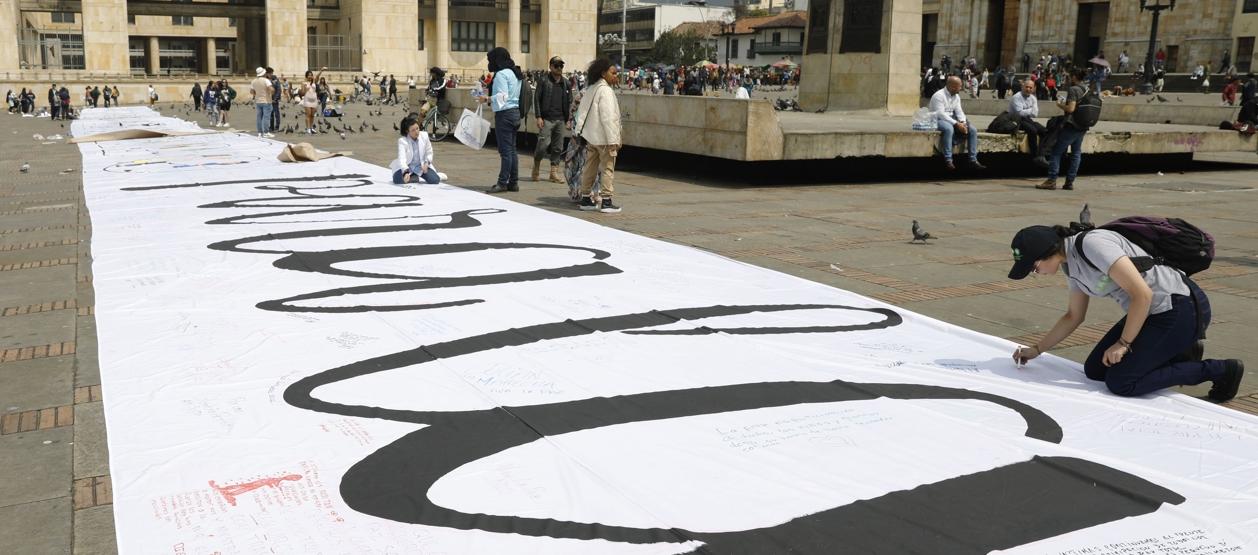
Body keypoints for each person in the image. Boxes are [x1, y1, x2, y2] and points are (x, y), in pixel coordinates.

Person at [1007, 224, 1244, 400]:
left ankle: (1222, 370)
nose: (1034, 273)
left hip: (1178, 308)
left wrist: (1124, 343)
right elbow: (1074, 315)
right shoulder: (1070, 265)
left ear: (1048, 251)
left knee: (1122, 382)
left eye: (1033, 267)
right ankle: (1177, 352)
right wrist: (1037, 350)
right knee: (1096, 370)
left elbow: (1143, 295)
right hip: (1150, 313)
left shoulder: (1092, 245)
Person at [573, 58, 622, 214]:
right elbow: (608, 118)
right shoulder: (606, 91)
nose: (616, 76)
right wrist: (613, 140)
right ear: (603, 73)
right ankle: (606, 201)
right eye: (613, 73)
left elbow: (582, 113)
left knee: (589, 168)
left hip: (591, 137)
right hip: (604, 139)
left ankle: (586, 198)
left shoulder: (592, 88)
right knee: (608, 168)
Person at [480, 47, 524, 193]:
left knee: (505, 152)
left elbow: (502, 97)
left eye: (490, 60)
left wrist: (486, 98)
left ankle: (502, 182)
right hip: (515, 113)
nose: (489, 63)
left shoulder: (501, 75)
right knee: (512, 150)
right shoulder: (513, 73)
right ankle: (513, 182)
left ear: (497, 60)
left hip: (505, 115)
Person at [1039, 69, 1089, 191]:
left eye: (1071, 76)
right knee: (1076, 154)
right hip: (1082, 126)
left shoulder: (1074, 89)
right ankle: (1069, 182)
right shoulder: (1087, 89)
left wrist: (1060, 104)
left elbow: (1071, 109)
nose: (1069, 78)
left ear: (1075, 76)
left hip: (1072, 125)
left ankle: (1051, 180)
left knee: (1056, 152)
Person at [929, 76, 984, 171]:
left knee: (972, 130)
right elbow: (941, 114)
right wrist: (956, 124)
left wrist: (963, 122)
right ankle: (948, 159)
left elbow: (959, 111)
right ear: (952, 86)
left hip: (952, 119)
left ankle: (973, 159)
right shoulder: (939, 95)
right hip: (937, 119)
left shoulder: (956, 96)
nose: (961, 88)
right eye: (959, 86)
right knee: (948, 128)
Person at [532, 56, 572, 183]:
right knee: (542, 145)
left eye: (561, 66)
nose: (559, 68)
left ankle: (553, 173)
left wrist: (569, 119)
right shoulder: (543, 80)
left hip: (561, 119)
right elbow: (537, 99)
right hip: (547, 119)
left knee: (558, 147)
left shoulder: (566, 83)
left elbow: (570, 102)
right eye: (556, 65)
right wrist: (538, 116)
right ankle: (536, 167)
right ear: (550, 66)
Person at [391, 114, 441, 184]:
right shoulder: (402, 141)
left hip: (421, 166)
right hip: (408, 167)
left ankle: (415, 177)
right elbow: (402, 159)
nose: (416, 132)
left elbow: (429, 152)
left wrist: (427, 163)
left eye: (417, 128)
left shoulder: (424, 136)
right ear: (407, 131)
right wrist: (405, 172)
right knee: (397, 180)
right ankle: (414, 177)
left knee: (435, 180)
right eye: (413, 130)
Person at [1009, 78, 1044, 155]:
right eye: (1026, 87)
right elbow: (1019, 113)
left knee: (1044, 130)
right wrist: (1031, 110)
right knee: (1033, 130)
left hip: (1027, 120)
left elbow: (1035, 114)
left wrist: (1028, 111)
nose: (1028, 89)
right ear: (1022, 87)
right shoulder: (1017, 97)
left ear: (1034, 89)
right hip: (1017, 120)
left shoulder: (1033, 98)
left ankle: (1042, 153)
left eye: (1030, 88)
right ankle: (1034, 154)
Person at [299, 67, 327, 134]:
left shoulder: (314, 82)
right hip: (307, 100)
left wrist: (321, 70)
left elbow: (317, 76)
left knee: (312, 115)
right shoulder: (303, 83)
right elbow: (302, 93)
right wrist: (305, 89)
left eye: (311, 75)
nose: (310, 76)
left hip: (314, 100)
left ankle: (311, 127)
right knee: (308, 115)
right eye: (309, 75)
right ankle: (308, 128)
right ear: (306, 76)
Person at [251, 67, 275, 138]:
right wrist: (272, 92)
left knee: (259, 117)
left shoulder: (253, 81)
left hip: (258, 101)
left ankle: (259, 132)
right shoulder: (266, 80)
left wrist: (258, 93)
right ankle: (266, 132)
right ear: (264, 73)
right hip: (266, 101)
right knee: (266, 117)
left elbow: (251, 91)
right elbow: (271, 89)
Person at [266, 67, 281, 133]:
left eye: (271, 73)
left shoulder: (275, 79)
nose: (271, 74)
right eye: (270, 73)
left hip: (274, 99)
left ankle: (277, 126)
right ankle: (271, 127)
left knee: (276, 113)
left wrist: (275, 98)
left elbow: (279, 89)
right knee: (270, 114)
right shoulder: (265, 80)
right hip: (268, 99)